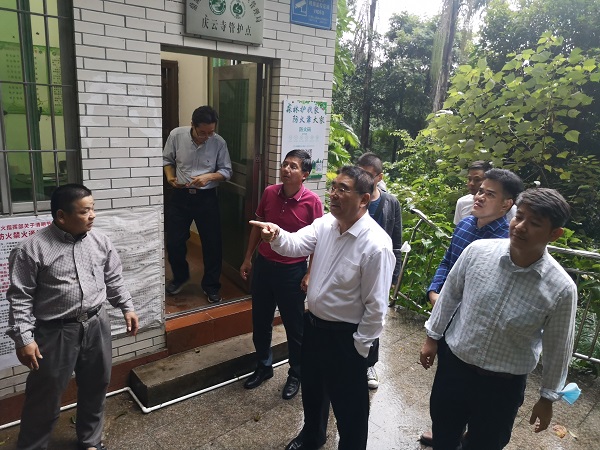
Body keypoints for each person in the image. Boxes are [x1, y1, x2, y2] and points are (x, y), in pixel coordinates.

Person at [420, 188, 577, 450]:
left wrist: (547, 397)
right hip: (455, 369)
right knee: (444, 435)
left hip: (503, 386)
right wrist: (431, 338)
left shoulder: (560, 288)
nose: (521, 226)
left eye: (535, 223)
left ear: (554, 234)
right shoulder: (477, 252)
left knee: (486, 444)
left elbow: (558, 346)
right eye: (520, 217)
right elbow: (449, 296)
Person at [250, 166, 395, 450]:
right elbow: (295, 244)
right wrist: (276, 234)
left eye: (343, 189)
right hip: (315, 327)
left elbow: (376, 307)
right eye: (333, 187)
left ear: (364, 199)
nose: (334, 194)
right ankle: (312, 437)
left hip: (347, 338)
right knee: (313, 390)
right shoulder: (326, 223)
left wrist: (360, 347)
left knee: (349, 407)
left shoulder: (376, 245)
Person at [5, 183, 139, 450]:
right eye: (84, 211)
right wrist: (24, 339)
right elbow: (20, 297)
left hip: (96, 323)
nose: (92, 215)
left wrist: (127, 307)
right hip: (55, 331)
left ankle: (90, 440)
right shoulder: (31, 249)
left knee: (96, 385)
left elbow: (113, 278)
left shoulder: (100, 241)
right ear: (61, 216)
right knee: (45, 395)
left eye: (93, 208)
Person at [419, 168, 524, 447]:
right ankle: (447, 430)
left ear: (506, 204)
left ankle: (463, 433)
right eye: (480, 191)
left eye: (489, 194)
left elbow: (490, 293)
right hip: (446, 315)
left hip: (473, 324)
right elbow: (447, 262)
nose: (479, 197)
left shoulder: (504, 242)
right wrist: (434, 291)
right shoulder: (466, 224)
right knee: (448, 384)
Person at [240, 149, 323, 400]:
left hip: (292, 272)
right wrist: (248, 258)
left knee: (294, 327)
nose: (286, 169)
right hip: (264, 267)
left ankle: (296, 374)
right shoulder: (269, 193)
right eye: (285, 164)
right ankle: (263, 367)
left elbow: (318, 243)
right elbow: (257, 228)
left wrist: (310, 273)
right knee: (261, 321)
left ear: (305, 174)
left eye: (293, 166)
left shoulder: (312, 202)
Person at [163, 105, 232, 303]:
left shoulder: (219, 142)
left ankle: (211, 285)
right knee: (174, 241)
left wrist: (209, 177)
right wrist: (170, 177)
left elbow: (227, 171)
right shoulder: (177, 135)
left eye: (211, 132)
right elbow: (167, 160)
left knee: (212, 243)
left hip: (206, 198)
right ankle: (180, 277)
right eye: (202, 132)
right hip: (180, 196)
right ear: (192, 125)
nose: (207, 137)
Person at [356, 153, 402, 390]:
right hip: (355, 267)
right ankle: (351, 360)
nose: (362, 178)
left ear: (379, 177)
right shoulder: (353, 197)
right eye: (359, 172)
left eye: (368, 174)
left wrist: (394, 276)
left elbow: (396, 241)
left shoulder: (390, 202)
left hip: (380, 269)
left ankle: (369, 364)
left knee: (375, 315)